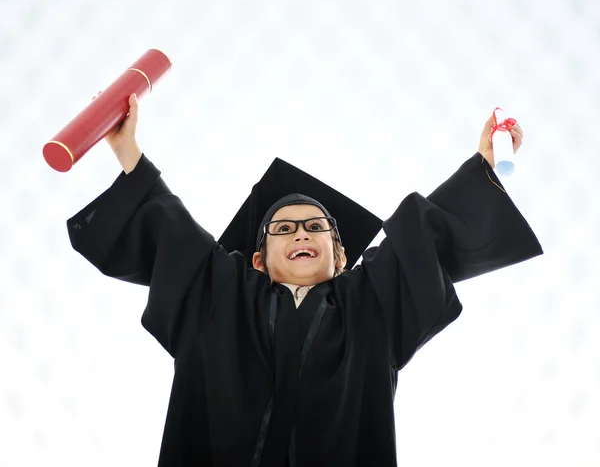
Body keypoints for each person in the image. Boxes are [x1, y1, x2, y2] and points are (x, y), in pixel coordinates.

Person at [67, 94, 542, 467]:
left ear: (340, 256)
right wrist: (127, 150)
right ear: (256, 257)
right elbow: (172, 229)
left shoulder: (370, 304)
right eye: (285, 227)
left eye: (317, 227)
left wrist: (482, 165)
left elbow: (425, 239)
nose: (302, 232)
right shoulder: (220, 294)